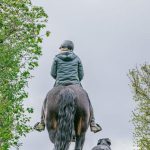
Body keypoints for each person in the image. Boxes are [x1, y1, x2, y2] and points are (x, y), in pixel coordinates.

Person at [34, 40, 102, 133]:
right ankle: (93, 124)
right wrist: (76, 80)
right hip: (75, 83)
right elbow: (81, 75)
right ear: (71, 48)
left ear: (62, 47)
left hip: (59, 84)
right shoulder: (77, 58)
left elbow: (53, 73)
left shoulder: (56, 58)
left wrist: (59, 78)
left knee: (46, 100)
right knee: (88, 101)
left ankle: (42, 123)